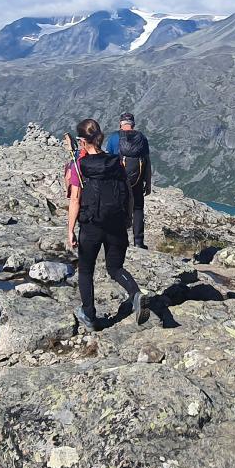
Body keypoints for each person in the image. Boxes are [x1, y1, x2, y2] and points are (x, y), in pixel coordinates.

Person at [66, 118, 145, 331]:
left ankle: (89, 316)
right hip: (116, 224)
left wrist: (70, 230)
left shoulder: (79, 166)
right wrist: (127, 219)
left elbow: (75, 199)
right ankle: (136, 294)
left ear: (82, 141)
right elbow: (127, 192)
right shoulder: (115, 161)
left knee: (85, 270)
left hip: (91, 224)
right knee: (115, 267)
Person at [104, 112, 153, 248]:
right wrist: (148, 183)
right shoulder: (142, 138)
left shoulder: (114, 137)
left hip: (118, 180)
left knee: (118, 207)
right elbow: (147, 162)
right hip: (137, 180)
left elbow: (108, 160)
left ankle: (118, 239)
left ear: (120, 123)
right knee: (137, 208)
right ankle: (138, 241)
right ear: (133, 124)